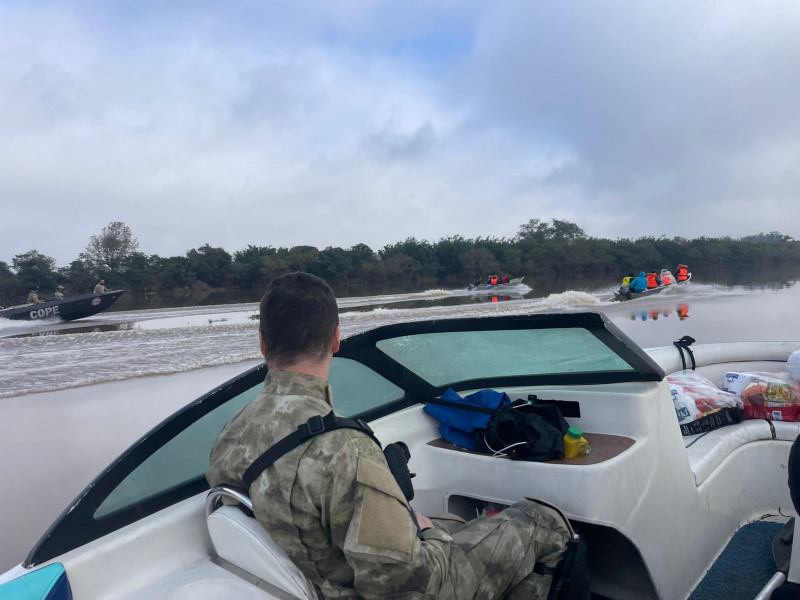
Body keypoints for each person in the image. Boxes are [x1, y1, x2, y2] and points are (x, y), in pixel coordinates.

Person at [207, 272, 583, 600]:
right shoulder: (344, 450)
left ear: (262, 343)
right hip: (379, 589)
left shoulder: (231, 435)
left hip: (319, 576)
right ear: (336, 339)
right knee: (543, 522)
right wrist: (430, 536)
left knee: (455, 524)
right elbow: (409, 590)